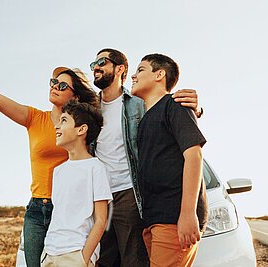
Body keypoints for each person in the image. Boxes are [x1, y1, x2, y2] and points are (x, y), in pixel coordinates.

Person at [0, 28, 99, 267]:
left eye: (63, 85)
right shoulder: (34, 118)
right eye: (53, 82)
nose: (55, 86)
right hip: (37, 208)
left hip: (69, 210)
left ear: (75, 96)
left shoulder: (83, 126)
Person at [89, 48, 202, 267]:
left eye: (102, 62)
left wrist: (194, 110)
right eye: (93, 64)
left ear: (119, 68)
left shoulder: (140, 103)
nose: (96, 67)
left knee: (135, 261)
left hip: (135, 198)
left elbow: (189, 149)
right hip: (103, 199)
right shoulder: (89, 108)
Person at [131, 53, 208, 267]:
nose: (133, 76)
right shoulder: (146, 117)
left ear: (159, 74)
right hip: (154, 217)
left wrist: (187, 213)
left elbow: (194, 155)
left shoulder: (175, 105)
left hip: (173, 216)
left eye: (140, 70)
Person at [41, 100, 112, 267]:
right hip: (50, 253)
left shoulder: (95, 167)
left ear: (82, 129)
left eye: (64, 120)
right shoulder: (58, 171)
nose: (57, 127)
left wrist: (83, 258)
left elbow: (101, 220)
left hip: (75, 254)